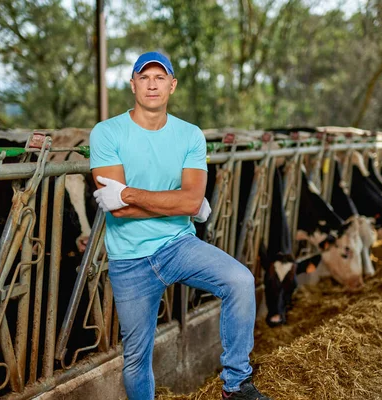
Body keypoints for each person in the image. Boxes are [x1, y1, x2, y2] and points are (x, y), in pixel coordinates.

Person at [89, 51, 271, 400]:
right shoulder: (107, 132)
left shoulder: (190, 135)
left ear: (172, 85)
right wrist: (180, 204)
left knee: (240, 280)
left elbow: (184, 202)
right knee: (135, 359)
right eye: (144, 77)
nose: (152, 84)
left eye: (160, 77)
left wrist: (128, 193)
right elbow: (121, 213)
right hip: (129, 259)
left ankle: (236, 385)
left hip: (178, 245)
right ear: (133, 85)